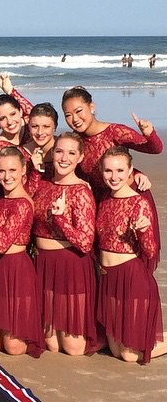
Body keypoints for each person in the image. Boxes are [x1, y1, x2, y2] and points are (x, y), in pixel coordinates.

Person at [61, 86, 162, 268]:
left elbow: (155, 149)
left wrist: (149, 133)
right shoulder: (77, 141)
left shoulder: (115, 131)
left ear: (92, 107)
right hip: (104, 204)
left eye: (78, 111)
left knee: (137, 261)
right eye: (68, 115)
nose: (74, 119)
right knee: (107, 263)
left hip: (131, 201)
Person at [95, 147, 165, 363]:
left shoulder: (139, 202)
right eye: (108, 171)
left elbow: (151, 251)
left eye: (119, 170)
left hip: (132, 279)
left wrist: (144, 231)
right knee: (116, 351)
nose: (114, 177)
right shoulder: (104, 198)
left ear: (130, 171)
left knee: (129, 355)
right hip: (108, 278)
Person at [32, 132, 98, 355]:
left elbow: (85, 242)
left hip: (71, 266)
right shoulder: (42, 185)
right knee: (51, 345)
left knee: (73, 349)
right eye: (59, 151)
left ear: (80, 158)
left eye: (71, 153)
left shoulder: (81, 191)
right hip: (43, 265)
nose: (64, 158)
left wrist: (60, 220)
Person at [0, 147, 44, 357]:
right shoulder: (0, 199)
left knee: (14, 348)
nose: (7, 177)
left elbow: (0, 243)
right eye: (1, 171)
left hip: (15, 269)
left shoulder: (23, 203)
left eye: (12, 170)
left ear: (23, 170)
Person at [22, 102, 59, 194]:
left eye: (46, 126)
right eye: (35, 126)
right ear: (29, 126)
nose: (40, 132)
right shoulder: (21, 153)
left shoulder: (64, 147)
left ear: (55, 127)